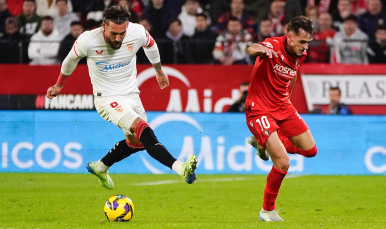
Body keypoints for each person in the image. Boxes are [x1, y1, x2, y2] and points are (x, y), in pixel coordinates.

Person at [46, 5, 198, 190]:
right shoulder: (88, 40)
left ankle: (100, 167)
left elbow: (150, 45)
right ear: (104, 25)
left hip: (132, 95)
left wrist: (158, 70)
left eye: (122, 34)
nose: (118, 38)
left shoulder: (137, 32)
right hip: (107, 98)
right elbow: (70, 60)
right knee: (143, 128)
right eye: (113, 33)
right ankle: (180, 168)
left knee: (137, 143)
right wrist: (59, 84)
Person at [245, 16, 317, 221]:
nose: (305, 47)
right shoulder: (273, 45)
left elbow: (292, 74)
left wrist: (287, 98)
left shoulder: (299, 55)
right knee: (283, 162)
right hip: (259, 109)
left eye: (308, 43)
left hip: (282, 106)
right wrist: (260, 50)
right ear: (290, 36)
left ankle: (263, 143)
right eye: (302, 42)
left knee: (310, 150)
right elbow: (251, 48)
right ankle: (266, 210)